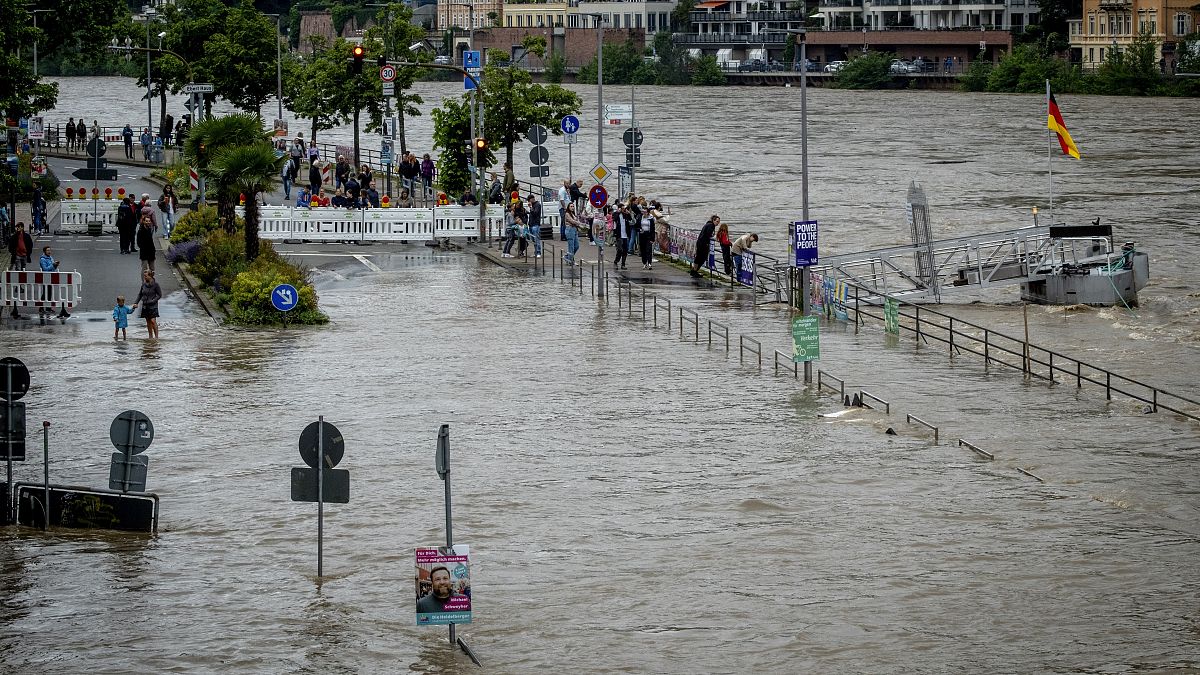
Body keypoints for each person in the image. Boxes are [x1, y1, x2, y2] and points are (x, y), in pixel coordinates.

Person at [131, 270, 162, 339]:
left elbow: (159, 295)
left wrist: (153, 300)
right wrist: (136, 303)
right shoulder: (143, 284)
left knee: (153, 321)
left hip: (153, 305)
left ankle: (156, 337)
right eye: (144, 276)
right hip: (145, 305)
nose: (144, 277)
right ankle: (150, 337)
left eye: (146, 276)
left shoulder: (156, 284)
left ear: (150, 276)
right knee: (148, 321)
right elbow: (140, 294)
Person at [39, 245, 67, 318]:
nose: (49, 251)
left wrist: (55, 265)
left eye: (50, 250)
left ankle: (48, 308)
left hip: (50, 277)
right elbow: (45, 269)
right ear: (44, 251)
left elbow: (52, 267)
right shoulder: (42, 259)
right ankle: (41, 307)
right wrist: (53, 265)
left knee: (49, 293)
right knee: (45, 293)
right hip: (45, 277)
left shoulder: (50, 257)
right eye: (47, 250)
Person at [612, 202, 632, 270]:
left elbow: (630, 219)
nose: (623, 210)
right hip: (619, 234)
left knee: (625, 250)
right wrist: (618, 212)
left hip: (625, 235)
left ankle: (623, 264)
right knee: (620, 249)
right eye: (622, 208)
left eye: (624, 208)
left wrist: (628, 213)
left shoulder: (625, 215)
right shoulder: (616, 214)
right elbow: (614, 218)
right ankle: (616, 261)